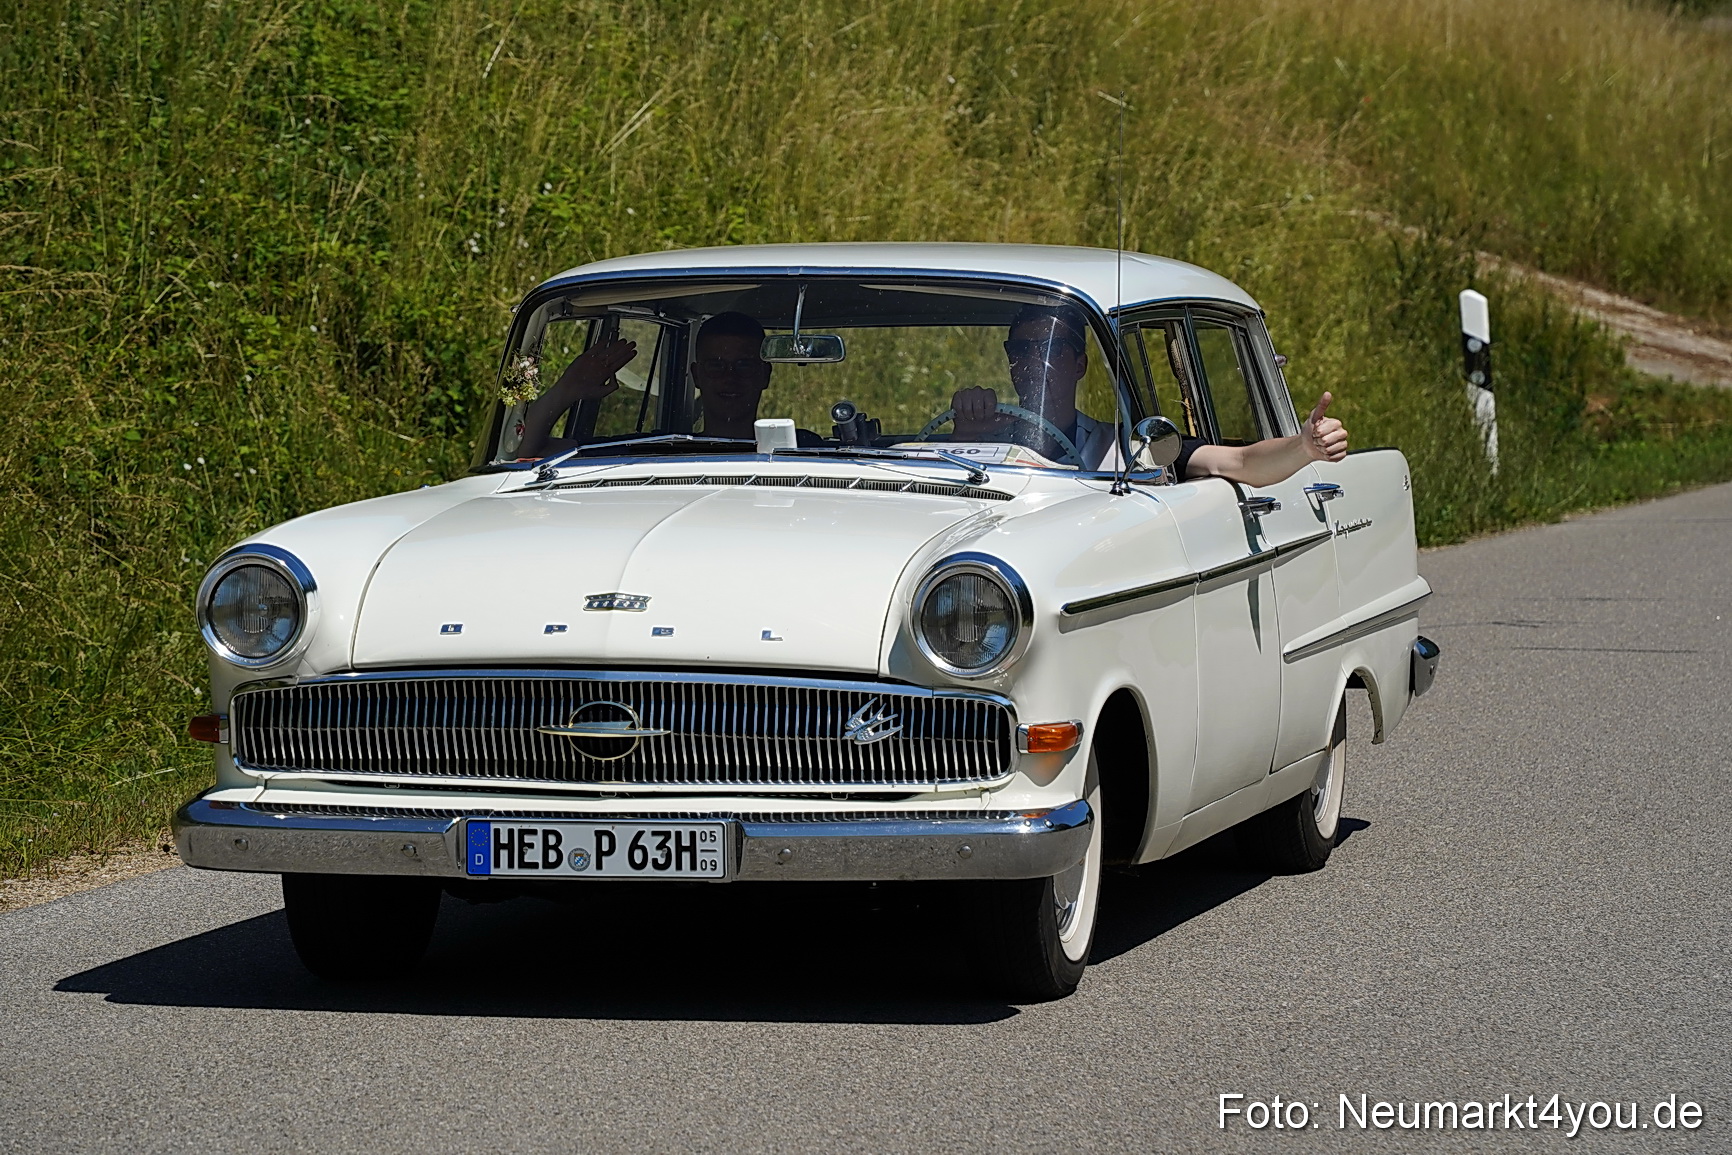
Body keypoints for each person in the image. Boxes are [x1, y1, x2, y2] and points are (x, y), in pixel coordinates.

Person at [948, 304, 1348, 484]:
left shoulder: (1127, 447)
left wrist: (1303, 447)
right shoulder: (983, 436)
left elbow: (1240, 462)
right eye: (1020, 351)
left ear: (1079, 365)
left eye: (1049, 349)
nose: (1033, 362)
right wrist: (963, 435)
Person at [515, 311, 812, 457]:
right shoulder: (658, 450)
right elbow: (525, 451)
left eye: (743, 365)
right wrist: (567, 389)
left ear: (764, 375)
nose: (729, 376)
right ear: (697, 375)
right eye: (716, 365)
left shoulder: (808, 452)